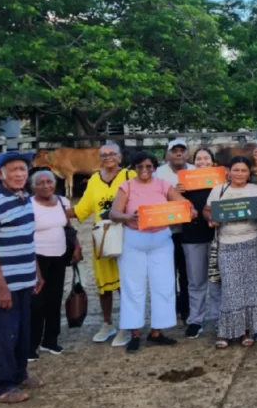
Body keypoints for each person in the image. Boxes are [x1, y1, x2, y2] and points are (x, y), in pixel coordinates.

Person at [110, 151, 194, 353]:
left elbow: (183, 204)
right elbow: (114, 213)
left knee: (164, 286)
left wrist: (189, 209)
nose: (144, 170)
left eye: (148, 166)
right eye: (140, 166)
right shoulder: (127, 186)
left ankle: (157, 332)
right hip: (134, 239)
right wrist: (129, 216)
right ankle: (135, 333)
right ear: (134, 168)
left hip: (161, 240)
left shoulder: (163, 185)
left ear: (155, 168)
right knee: (133, 288)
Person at [0, 151, 42, 404]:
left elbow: (28, 239)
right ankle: (1, 386)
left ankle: (19, 374)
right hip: (4, 285)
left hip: (25, 279)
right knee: (3, 336)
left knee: (21, 334)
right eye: (13, 169)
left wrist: (36, 272)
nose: (19, 174)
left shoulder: (25, 198)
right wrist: (1, 287)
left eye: (23, 169)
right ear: (1, 175)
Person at [206, 156, 257, 349]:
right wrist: (211, 218)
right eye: (236, 170)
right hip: (227, 243)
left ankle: (246, 332)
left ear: (248, 173)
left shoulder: (256, 190)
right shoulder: (218, 190)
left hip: (252, 243)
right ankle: (226, 332)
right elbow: (207, 211)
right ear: (229, 171)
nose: (239, 174)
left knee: (251, 290)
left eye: (243, 170)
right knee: (230, 289)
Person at [72, 142, 133, 347]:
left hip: (126, 236)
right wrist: (52, 210)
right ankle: (108, 323)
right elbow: (82, 208)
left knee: (125, 283)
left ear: (120, 157)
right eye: (104, 154)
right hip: (103, 238)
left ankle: (127, 325)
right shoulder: (94, 181)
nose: (108, 157)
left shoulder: (129, 177)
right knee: (103, 284)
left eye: (112, 154)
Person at [26, 170, 78, 359]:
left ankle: (50, 339)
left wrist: (77, 246)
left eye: (50, 181)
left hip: (59, 255)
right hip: (36, 257)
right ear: (32, 186)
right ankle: (31, 345)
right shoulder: (28, 205)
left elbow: (68, 226)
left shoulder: (63, 202)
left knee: (54, 299)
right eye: (40, 183)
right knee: (36, 303)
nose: (46, 185)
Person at [181, 147, 222, 339]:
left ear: (213, 163)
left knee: (216, 280)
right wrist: (177, 192)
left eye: (206, 158)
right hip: (192, 236)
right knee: (195, 281)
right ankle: (195, 320)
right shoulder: (184, 182)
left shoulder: (222, 181)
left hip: (217, 235)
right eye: (198, 158)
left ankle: (218, 319)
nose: (202, 161)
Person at [154, 138, 193, 325]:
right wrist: (173, 193)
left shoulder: (194, 171)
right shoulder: (159, 174)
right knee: (168, 273)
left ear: (187, 153)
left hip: (190, 229)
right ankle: (169, 311)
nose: (178, 153)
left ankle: (186, 310)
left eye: (182, 150)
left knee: (186, 273)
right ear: (168, 154)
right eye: (174, 150)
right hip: (167, 230)